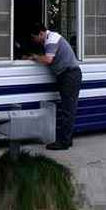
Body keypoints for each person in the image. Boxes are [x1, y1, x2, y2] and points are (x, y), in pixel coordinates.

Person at [29, 22, 82, 150]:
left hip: (70, 75)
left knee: (67, 109)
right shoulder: (50, 38)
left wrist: (34, 57)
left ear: (41, 34)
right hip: (68, 75)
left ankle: (63, 142)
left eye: (34, 37)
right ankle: (67, 139)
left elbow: (48, 59)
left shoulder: (51, 40)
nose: (34, 40)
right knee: (68, 109)